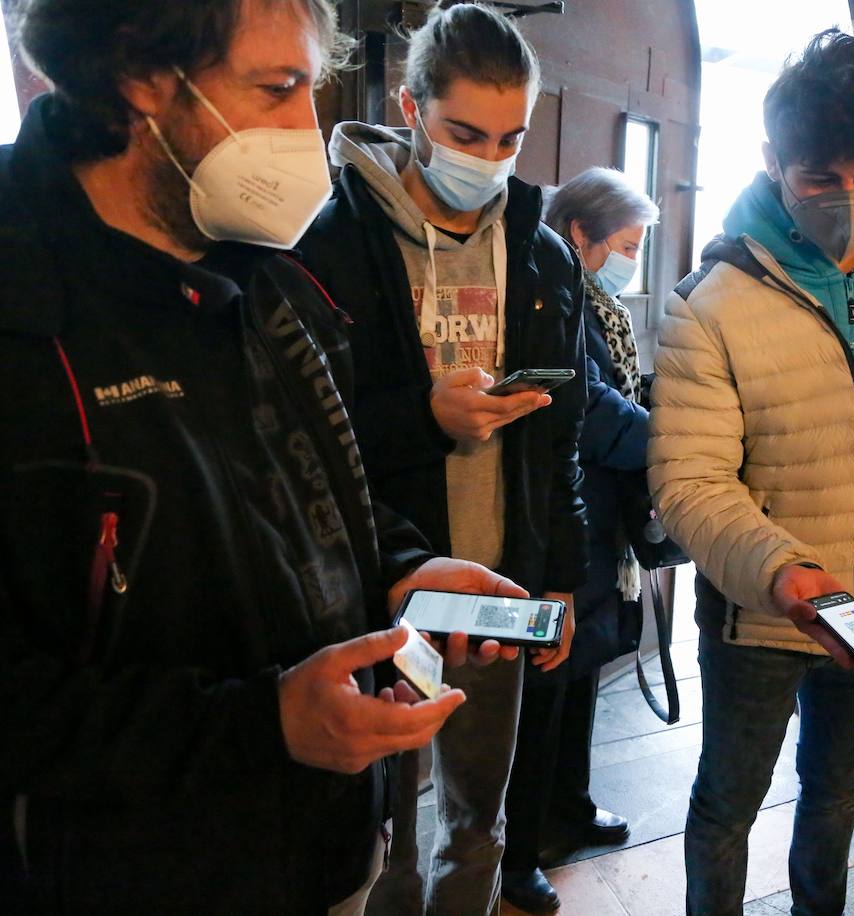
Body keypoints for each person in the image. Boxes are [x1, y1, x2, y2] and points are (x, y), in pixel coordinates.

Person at [0, 1, 530, 913]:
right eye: (278, 90)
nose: (307, 133)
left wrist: (401, 571)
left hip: (326, 851)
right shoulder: (24, 309)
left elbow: (309, 493)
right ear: (139, 77)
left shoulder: (270, 271)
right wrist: (262, 725)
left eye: (309, 90)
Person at [648, 29, 854, 915]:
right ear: (773, 163)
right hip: (763, 620)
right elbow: (688, 482)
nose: (849, 197)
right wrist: (783, 574)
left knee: (835, 796)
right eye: (820, 177)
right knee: (726, 805)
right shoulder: (709, 302)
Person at [296, 4, 586, 914]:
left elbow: (561, 437)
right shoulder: (332, 242)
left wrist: (564, 578)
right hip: (380, 585)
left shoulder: (538, 254)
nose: (489, 158)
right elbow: (304, 441)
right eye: (465, 132)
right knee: (382, 829)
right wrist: (425, 417)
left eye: (511, 137)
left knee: (479, 819)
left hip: (499, 586)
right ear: (412, 109)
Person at [499, 167, 659, 912]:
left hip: (597, 526)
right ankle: (521, 849)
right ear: (579, 235)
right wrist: (669, 443)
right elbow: (592, 410)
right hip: (561, 518)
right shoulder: (546, 296)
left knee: (585, 673)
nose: (631, 261)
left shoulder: (598, 304)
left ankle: (572, 806)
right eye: (625, 245)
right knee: (546, 689)